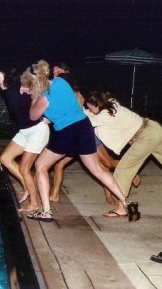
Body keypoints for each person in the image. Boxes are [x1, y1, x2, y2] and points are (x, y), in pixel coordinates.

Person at [20, 60, 129, 222]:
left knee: (40, 166)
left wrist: (33, 97)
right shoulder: (61, 81)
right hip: (83, 127)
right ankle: (127, 203)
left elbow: (33, 116)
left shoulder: (43, 98)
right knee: (98, 170)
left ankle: (46, 212)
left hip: (66, 132)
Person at [48, 65, 141, 205]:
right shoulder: (58, 90)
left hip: (86, 135)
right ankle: (54, 195)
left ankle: (128, 174)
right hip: (72, 136)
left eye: (58, 71)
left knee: (106, 165)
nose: (54, 73)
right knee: (59, 165)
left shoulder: (75, 93)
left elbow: (78, 114)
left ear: (67, 73)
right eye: (53, 71)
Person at [0, 67, 50, 212]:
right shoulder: (9, 91)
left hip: (37, 131)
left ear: (6, 75)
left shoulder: (22, 86)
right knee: (5, 158)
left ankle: (35, 203)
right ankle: (27, 187)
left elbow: (48, 92)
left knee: (25, 168)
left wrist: (50, 116)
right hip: (24, 131)